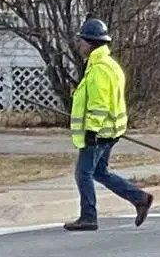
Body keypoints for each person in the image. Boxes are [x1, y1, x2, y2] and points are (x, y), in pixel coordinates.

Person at [62, 18, 153, 232]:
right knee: (99, 172)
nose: (79, 45)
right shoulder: (109, 65)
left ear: (90, 42)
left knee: (83, 173)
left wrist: (92, 130)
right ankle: (140, 198)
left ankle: (89, 217)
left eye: (81, 41)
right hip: (111, 131)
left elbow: (99, 104)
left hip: (99, 132)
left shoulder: (99, 69)